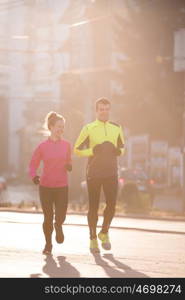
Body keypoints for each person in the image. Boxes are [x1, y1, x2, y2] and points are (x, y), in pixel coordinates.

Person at [74, 98, 125, 253]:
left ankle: (104, 232)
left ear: (110, 110)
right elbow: (76, 149)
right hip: (94, 173)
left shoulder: (116, 128)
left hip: (111, 172)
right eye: (101, 109)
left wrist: (119, 151)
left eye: (107, 109)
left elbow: (122, 148)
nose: (104, 112)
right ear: (96, 111)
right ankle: (93, 239)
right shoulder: (88, 128)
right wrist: (92, 151)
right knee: (93, 207)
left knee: (111, 205)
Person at [29, 111, 72, 255]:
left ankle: (58, 225)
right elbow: (33, 163)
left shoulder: (67, 145)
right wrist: (34, 176)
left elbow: (68, 160)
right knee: (47, 217)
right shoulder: (42, 146)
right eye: (59, 126)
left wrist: (69, 165)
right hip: (46, 186)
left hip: (62, 186)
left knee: (61, 215)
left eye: (63, 127)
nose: (61, 129)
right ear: (51, 127)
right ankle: (48, 244)